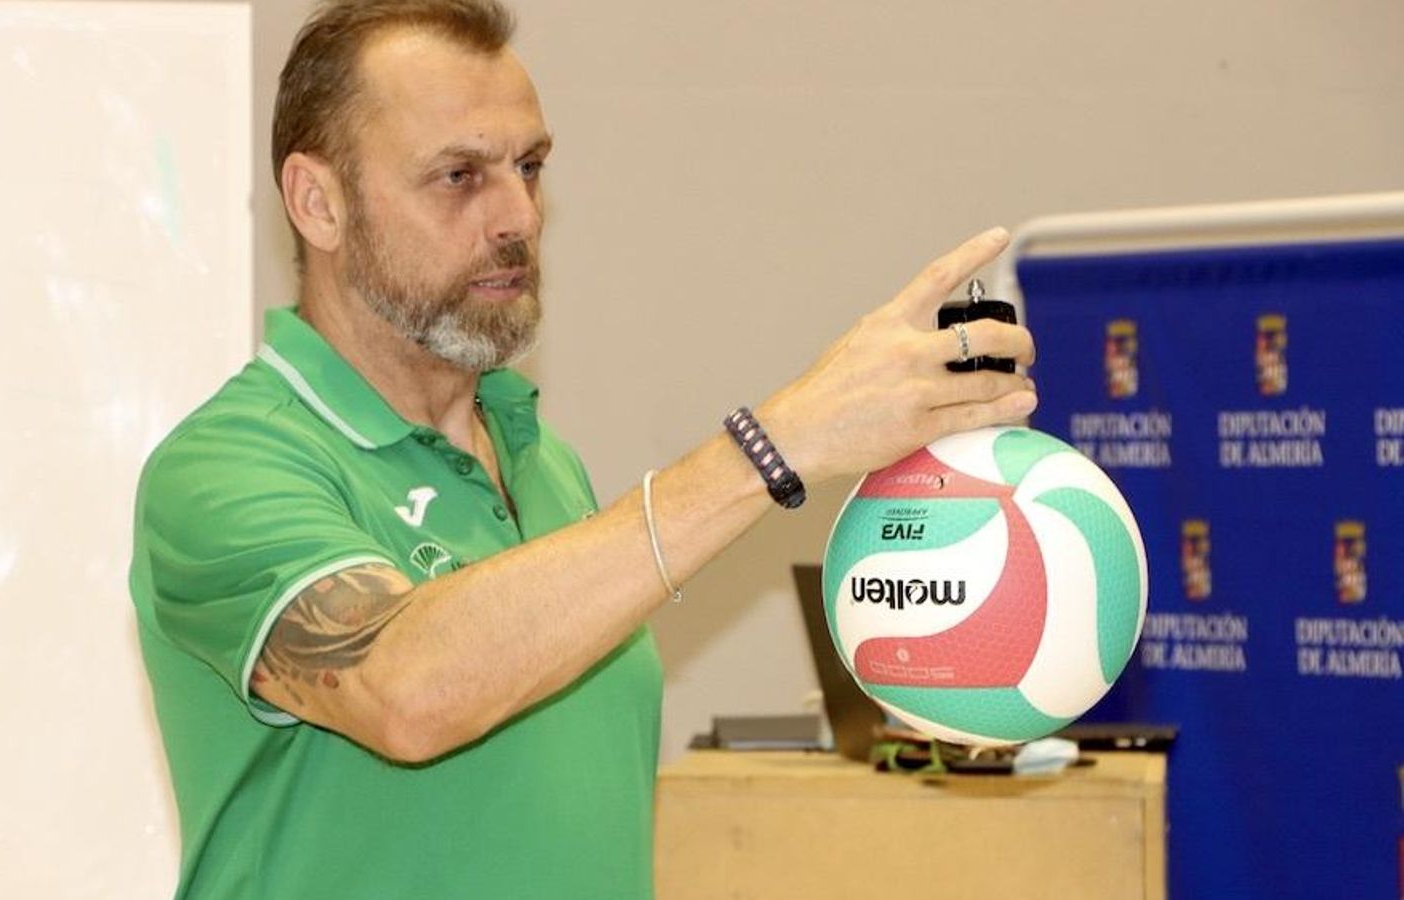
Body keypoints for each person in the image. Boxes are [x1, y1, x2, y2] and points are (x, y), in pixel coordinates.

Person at [129, 1, 1037, 897]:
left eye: (528, 167)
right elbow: (406, 691)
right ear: (317, 203)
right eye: (458, 175)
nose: (518, 216)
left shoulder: (542, 460)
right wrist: (776, 444)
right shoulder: (223, 467)